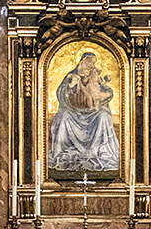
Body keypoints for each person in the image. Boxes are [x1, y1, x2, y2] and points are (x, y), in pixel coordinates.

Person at [47, 47, 120, 176]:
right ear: (82, 61)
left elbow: (108, 92)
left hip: (93, 112)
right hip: (73, 112)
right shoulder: (71, 76)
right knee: (63, 116)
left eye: (93, 62)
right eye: (89, 61)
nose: (91, 64)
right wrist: (70, 85)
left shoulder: (96, 76)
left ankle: (97, 151)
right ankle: (61, 153)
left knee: (103, 116)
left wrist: (102, 94)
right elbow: (61, 93)